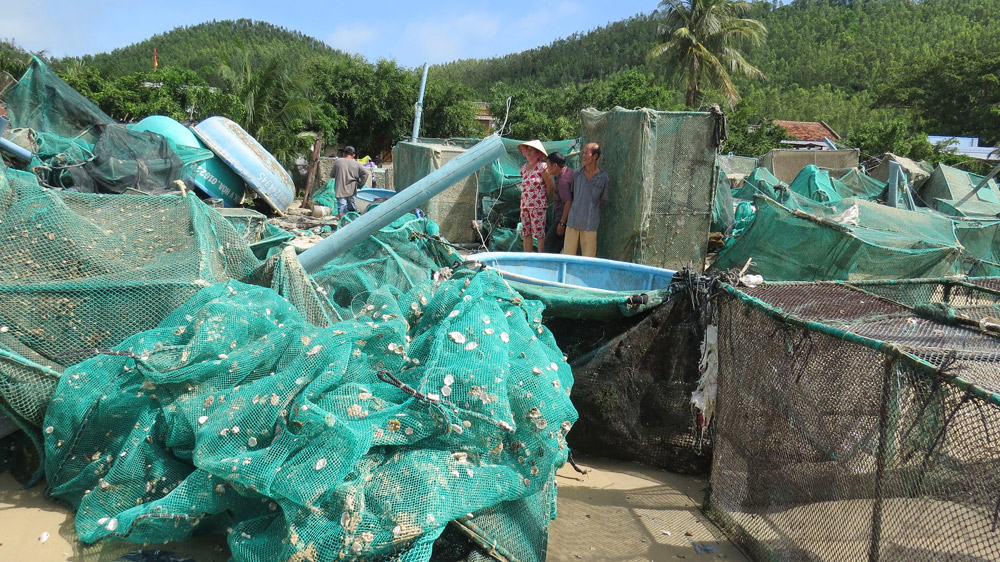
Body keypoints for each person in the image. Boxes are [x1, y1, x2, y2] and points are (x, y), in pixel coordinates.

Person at [562, 143, 608, 257]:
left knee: (588, 258)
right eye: (583, 153)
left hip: (589, 223)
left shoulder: (603, 178)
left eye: (586, 153)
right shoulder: (577, 173)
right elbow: (572, 195)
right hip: (573, 221)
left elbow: (602, 200)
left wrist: (590, 208)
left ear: (595, 156)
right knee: (568, 256)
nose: (583, 156)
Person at [517, 139, 548, 252]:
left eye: (531, 149)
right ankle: (527, 257)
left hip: (538, 205)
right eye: (527, 149)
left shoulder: (542, 166)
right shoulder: (524, 168)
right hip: (524, 204)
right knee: (526, 232)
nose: (528, 152)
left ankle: (541, 257)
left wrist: (543, 200)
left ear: (537, 152)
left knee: (539, 233)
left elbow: (550, 185)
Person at [541, 151, 574, 253]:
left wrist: (562, 223)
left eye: (548, 165)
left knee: (548, 247)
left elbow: (568, 202)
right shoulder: (570, 172)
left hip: (563, 218)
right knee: (556, 247)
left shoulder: (562, 182)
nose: (547, 168)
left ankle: (548, 268)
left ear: (555, 165)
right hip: (570, 218)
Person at [330, 146, 372, 219]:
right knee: (352, 208)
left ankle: (342, 225)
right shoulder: (357, 164)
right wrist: (360, 185)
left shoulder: (338, 162)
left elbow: (332, 175)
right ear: (353, 155)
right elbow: (366, 173)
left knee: (341, 208)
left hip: (340, 189)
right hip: (352, 189)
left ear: (344, 153)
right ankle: (352, 225)